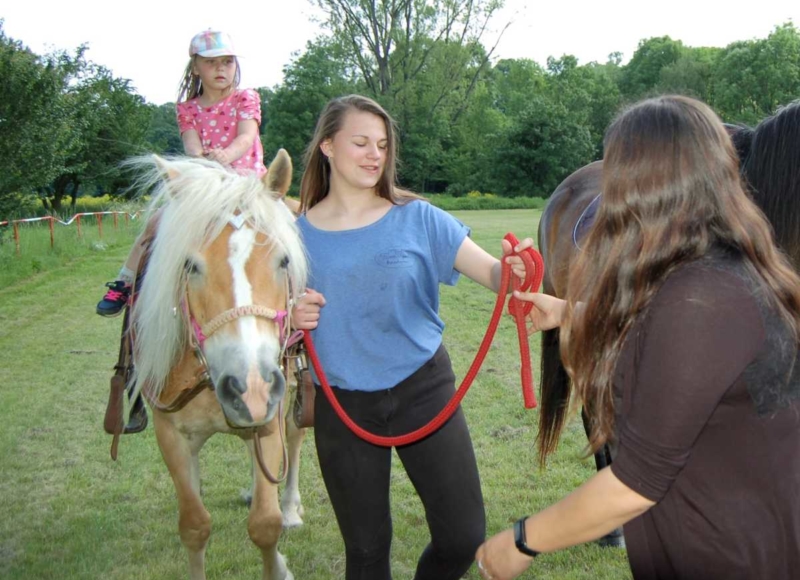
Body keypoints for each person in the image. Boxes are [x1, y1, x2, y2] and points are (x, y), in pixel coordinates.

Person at [475, 95, 800, 580]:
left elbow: (636, 482)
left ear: (638, 185)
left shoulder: (701, 296)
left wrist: (518, 543)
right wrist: (571, 312)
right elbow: (691, 343)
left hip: (723, 550)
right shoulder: (734, 264)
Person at [290, 94, 523, 580]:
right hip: (344, 403)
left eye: (381, 144)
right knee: (368, 554)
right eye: (361, 142)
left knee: (462, 536)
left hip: (424, 390)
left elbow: (495, 274)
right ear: (328, 146)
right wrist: (289, 317)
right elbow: (267, 324)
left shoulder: (418, 217)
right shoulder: (293, 238)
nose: (375, 154)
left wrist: (516, 270)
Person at [96, 29, 298, 316]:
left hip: (249, 185)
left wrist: (226, 155)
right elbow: (191, 146)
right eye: (211, 62)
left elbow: (247, 136)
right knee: (155, 223)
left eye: (227, 62)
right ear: (195, 67)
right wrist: (205, 162)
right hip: (208, 185)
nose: (221, 69)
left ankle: (302, 284)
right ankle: (125, 281)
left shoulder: (246, 98)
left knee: (298, 219)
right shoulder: (188, 109)